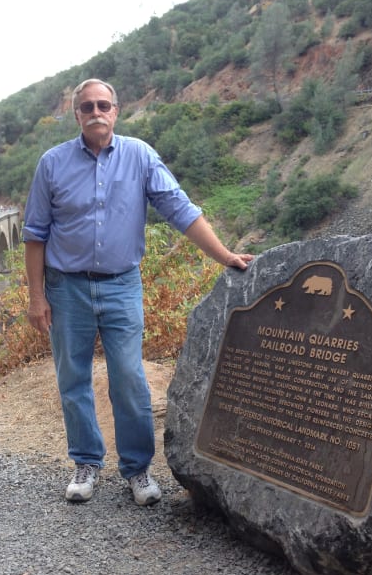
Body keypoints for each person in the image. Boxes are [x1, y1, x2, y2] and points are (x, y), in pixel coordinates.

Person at [22, 78, 253, 506]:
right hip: (66, 287)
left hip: (121, 285)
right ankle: (86, 463)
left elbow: (180, 209)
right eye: (87, 106)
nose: (96, 112)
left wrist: (224, 256)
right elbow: (34, 234)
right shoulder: (52, 164)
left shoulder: (140, 156)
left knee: (129, 377)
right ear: (77, 114)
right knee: (72, 378)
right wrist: (37, 298)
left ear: (116, 110)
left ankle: (138, 469)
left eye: (103, 105)